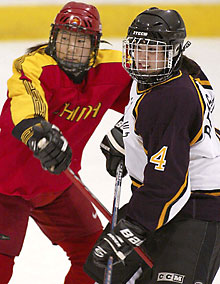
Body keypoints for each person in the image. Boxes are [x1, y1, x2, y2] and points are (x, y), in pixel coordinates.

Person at [0, 1, 132, 283]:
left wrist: (132, 127)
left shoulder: (111, 69)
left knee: (96, 257)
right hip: (5, 187)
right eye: (65, 39)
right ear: (53, 38)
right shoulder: (34, 67)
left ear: (95, 45)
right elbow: (26, 103)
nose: (71, 49)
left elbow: (151, 94)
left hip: (57, 185)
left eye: (81, 42)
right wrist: (38, 133)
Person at [92, 7, 220, 284]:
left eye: (154, 51)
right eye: (138, 49)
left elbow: (169, 182)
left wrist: (134, 227)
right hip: (160, 198)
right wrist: (129, 137)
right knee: (101, 267)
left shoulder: (172, 97)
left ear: (174, 51)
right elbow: (171, 128)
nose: (143, 59)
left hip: (198, 207)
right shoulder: (172, 73)